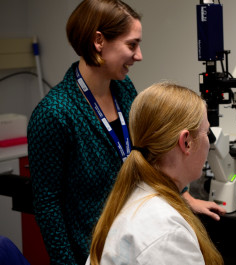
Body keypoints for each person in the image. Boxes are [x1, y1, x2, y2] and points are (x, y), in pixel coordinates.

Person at [27, 0, 225, 264]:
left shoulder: (123, 89)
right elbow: (47, 206)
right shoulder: (54, 114)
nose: (139, 55)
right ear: (99, 41)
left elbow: (150, 149)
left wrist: (183, 194)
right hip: (94, 250)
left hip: (136, 230)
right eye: (131, 45)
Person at [87, 82, 224, 265]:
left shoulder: (133, 195)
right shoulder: (166, 234)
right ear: (186, 142)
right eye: (206, 133)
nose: (209, 142)